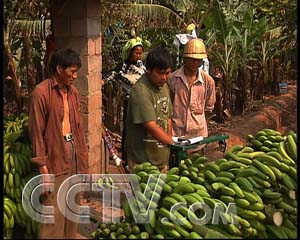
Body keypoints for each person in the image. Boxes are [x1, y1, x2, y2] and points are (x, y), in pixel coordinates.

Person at [28, 48, 89, 239]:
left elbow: (78, 130)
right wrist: (43, 170)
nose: (75, 75)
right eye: (72, 71)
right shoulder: (41, 93)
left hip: (74, 155)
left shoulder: (74, 93)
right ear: (59, 69)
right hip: (54, 158)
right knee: (52, 213)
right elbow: (36, 133)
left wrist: (84, 166)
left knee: (72, 209)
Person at [125, 46, 174, 173]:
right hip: (142, 163)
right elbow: (150, 125)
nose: (164, 77)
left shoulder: (164, 86)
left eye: (167, 73)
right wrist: (172, 143)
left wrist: (169, 142)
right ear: (149, 70)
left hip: (161, 161)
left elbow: (168, 116)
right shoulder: (141, 91)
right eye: (160, 73)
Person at [103, 37, 148, 169]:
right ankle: (126, 159)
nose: (139, 56)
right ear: (129, 52)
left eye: (140, 53)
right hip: (129, 102)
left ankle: (139, 156)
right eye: (136, 53)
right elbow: (110, 76)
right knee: (128, 130)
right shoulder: (122, 67)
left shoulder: (141, 66)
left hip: (142, 102)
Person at [167, 39, 216, 154]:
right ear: (184, 59)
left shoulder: (208, 82)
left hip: (198, 137)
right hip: (176, 135)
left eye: (198, 60)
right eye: (192, 60)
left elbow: (209, 107)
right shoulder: (173, 79)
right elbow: (167, 106)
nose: (195, 63)